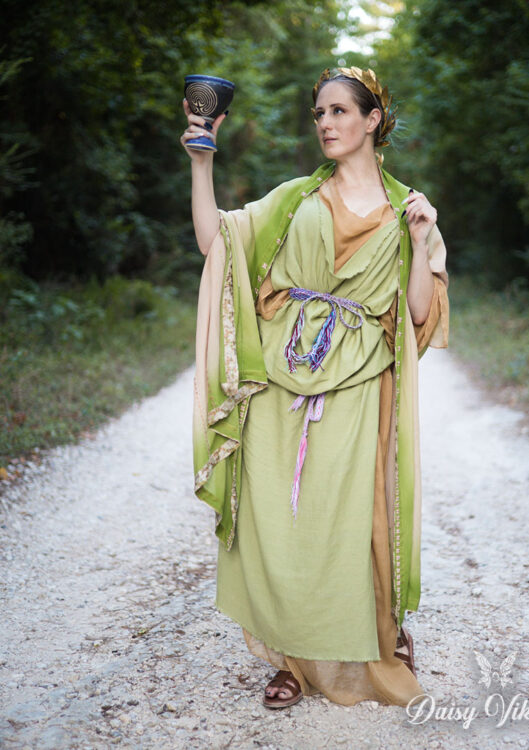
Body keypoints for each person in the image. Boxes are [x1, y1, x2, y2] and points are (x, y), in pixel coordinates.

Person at [182, 66, 449, 709]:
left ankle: (381, 632)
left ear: (372, 119)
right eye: (319, 114)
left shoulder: (408, 209)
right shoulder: (294, 200)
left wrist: (419, 242)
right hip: (281, 379)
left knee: (354, 520)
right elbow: (215, 243)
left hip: (361, 386)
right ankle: (289, 660)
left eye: (338, 111)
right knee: (281, 519)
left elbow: (418, 315)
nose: (326, 124)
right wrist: (201, 161)